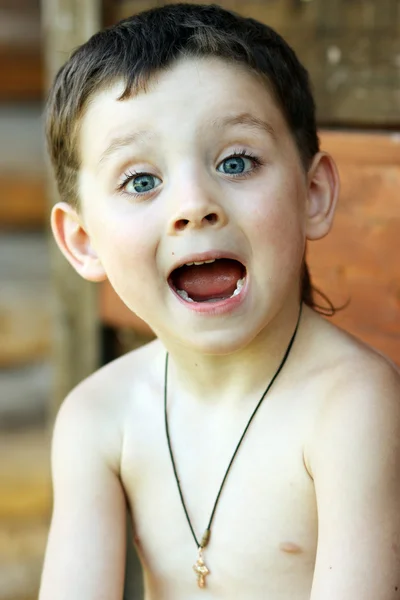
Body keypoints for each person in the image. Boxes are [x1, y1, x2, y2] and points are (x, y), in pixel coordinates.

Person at [39, 3, 400, 599]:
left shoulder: (352, 407)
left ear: (312, 194)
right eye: (141, 181)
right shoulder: (98, 417)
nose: (193, 204)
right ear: (83, 242)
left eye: (236, 162)